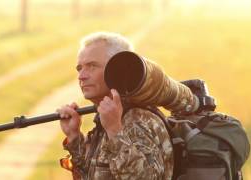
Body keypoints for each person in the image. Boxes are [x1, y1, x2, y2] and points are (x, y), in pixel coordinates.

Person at [57, 32, 173, 180]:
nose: (82, 76)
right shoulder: (109, 117)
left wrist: (115, 131)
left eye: (92, 66)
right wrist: (74, 137)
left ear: (118, 69)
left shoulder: (138, 120)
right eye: (80, 68)